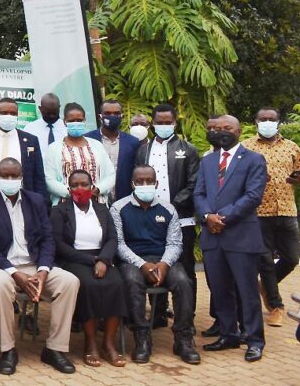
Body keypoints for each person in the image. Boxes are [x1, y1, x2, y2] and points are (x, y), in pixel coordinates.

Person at [0, 158, 80, 376]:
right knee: (0, 285)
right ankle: (8, 350)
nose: (10, 180)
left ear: (21, 178)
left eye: (14, 176)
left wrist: (43, 271)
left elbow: (48, 239)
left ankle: (54, 349)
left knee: (69, 281)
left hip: (33, 264)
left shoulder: (35, 200)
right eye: (5, 176)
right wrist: (14, 273)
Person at [194, 115, 268, 362]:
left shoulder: (254, 159)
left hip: (240, 235)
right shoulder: (208, 161)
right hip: (212, 238)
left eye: (228, 128)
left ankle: (255, 340)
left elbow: (253, 196)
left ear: (239, 131)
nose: (222, 132)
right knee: (220, 289)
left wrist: (221, 218)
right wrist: (206, 216)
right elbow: (199, 193)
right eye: (219, 128)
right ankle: (228, 334)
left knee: (247, 291)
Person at [112, 165, 200, 365]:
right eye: (140, 182)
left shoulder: (168, 209)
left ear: (156, 183)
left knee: (183, 282)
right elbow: (118, 244)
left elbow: (175, 242)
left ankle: (183, 339)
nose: (145, 185)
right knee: (132, 282)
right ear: (132, 184)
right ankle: (142, 338)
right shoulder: (118, 208)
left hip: (163, 259)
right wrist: (142, 264)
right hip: (133, 260)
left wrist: (164, 263)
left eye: (149, 181)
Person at [134, 103, 201, 329]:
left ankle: (186, 318)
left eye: (168, 122)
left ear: (175, 123)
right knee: (154, 262)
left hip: (181, 219)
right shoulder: (143, 150)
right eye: (159, 123)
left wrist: (171, 206)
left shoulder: (188, 149)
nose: (163, 126)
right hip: (149, 219)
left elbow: (194, 184)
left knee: (185, 268)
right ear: (152, 124)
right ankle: (158, 314)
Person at [51, 170, 127, 368]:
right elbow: (58, 244)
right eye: (74, 185)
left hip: (102, 257)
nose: (80, 189)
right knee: (88, 285)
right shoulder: (60, 211)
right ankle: (90, 343)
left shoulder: (102, 209)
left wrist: (103, 259)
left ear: (92, 187)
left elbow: (112, 238)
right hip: (74, 259)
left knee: (116, 283)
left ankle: (108, 343)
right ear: (68, 189)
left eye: (84, 184)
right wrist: (90, 259)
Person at [243, 107, 300, 327]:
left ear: (279, 122)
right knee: (266, 260)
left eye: (271, 119)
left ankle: (265, 287)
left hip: (287, 210)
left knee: (292, 258)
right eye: (263, 119)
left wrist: (298, 179)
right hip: (259, 211)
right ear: (256, 121)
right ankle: (275, 306)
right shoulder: (247, 147)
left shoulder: (291, 147)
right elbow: (238, 177)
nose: (267, 122)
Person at [44, 103, 116, 204]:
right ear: (65, 122)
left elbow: (110, 175)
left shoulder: (97, 145)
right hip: (65, 205)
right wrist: (72, 192)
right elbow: (49, 179)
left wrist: (97, 190)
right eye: (71, 121)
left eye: (79, 120)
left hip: (96, 203)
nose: (76, 123)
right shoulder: (54, 148)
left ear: (84, 121)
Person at [0, 98, 47, 199]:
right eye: (4, 113)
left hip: (23, 200)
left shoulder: (31, 140)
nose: (9, 116)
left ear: (17, 115)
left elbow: (38, 176)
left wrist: (42, 202)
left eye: (13, 113)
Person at [84, 100, 140, 202]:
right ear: (100, 116)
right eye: (108, 113)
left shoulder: (133, 142)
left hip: (125, 199)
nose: (112, 116)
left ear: (122, 116)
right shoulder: (87, 139)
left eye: (116, 113)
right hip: (96, 198)